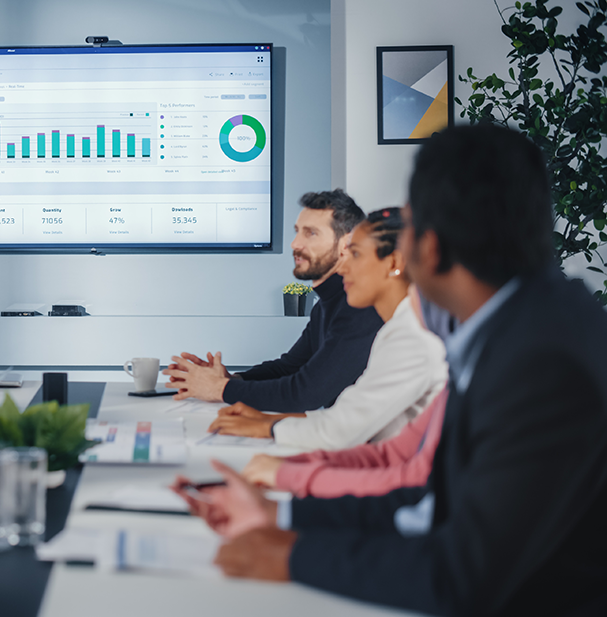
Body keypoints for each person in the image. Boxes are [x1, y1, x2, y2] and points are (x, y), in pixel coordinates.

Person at [178, 125, 607, 615]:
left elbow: (461, 574)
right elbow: (427, 498)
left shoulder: (540, 364)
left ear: (429, 248)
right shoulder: (520, 327)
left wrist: (291, 556)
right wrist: (284, 513)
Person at [206, 208, 447, 450]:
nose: (342, 268)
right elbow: (346, 416)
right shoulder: (395, 327)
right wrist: (264, 418)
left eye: (355, 254)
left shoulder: (412, 336)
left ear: (393, 263)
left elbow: (338, 427)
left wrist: (266, 426)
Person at [165, 190, 384, 412]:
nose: (295, 244)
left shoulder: (360, 307)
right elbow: (289, 367)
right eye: (297, 232)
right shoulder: (325, 306)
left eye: (311, 233)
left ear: (347, 243)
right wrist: (233, 380)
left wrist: (220, 388)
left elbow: (305, 393)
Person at [242, 388, 447, 498]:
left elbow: (420, 483)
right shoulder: (456, 375)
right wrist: (295, 463)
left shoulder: (420, 340)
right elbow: (392, 453)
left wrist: (290, 475)